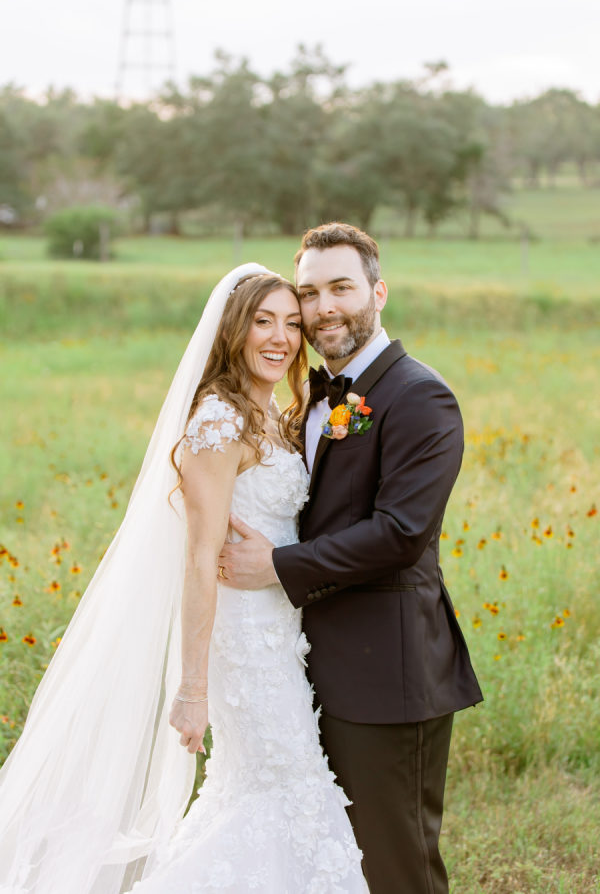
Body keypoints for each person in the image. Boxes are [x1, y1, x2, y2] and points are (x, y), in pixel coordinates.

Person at [0, 265, 366, 894]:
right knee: (285, 788)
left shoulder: (274, 415)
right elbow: (199, 557)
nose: (279, 337)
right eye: (262, 322)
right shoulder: (216, 422)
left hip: (284, 632)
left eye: (291, 324)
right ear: (233, 330)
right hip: (242, 641)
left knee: (261, 789)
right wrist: (192, 689)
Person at [219, 224, 484, 894]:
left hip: (388, 674)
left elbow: (400, 532)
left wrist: (279, 566)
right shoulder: (309, 397)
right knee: (332, 860)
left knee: (395, 865)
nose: (322, 307)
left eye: (341, 287)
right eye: (308, 292)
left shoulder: (420, 396)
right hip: (307, 667)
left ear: (378, 292)